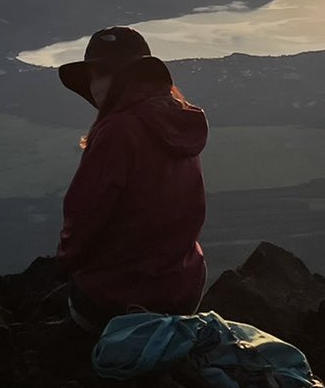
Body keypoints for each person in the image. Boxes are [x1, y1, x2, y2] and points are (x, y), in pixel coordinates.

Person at [55, 26, 210, 333]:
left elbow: (84, 215)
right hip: (184, 292)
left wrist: (62, 265)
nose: (93, 85)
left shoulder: (118, 131)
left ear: (123, 77)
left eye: (98, 74)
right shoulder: (179, 119)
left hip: (119, 301)